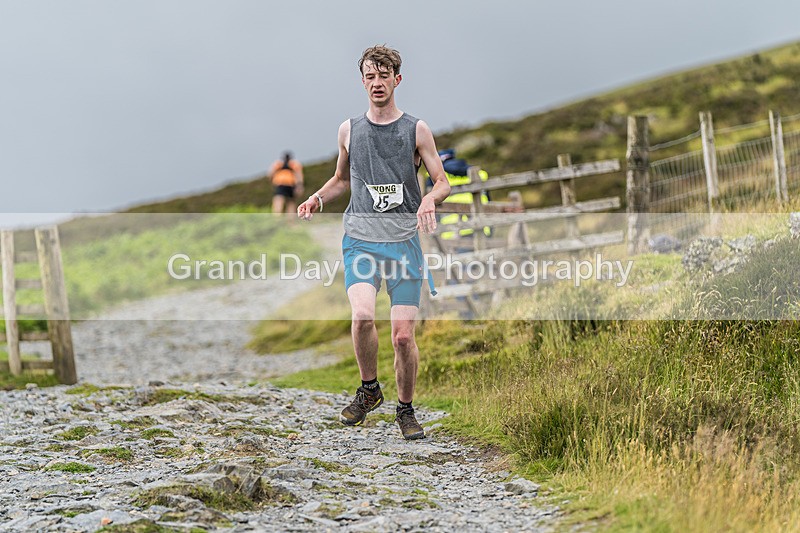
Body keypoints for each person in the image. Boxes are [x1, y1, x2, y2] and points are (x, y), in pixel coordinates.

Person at [297, 45, 450, 440]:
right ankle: (369, 390)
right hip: (361, 242)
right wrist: (316, 198)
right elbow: (342, 180)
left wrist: (430, 199)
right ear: (362, 80)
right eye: (370, 76)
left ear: (397, 79)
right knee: (362, 316)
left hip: (403, 245)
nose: (377, 83)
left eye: (384, 75)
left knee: (402, 336)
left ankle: (405, 409)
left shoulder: (417, 129)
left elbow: (442, 180)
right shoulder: (349, 129)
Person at [269, 151, 304, 216]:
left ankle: (277, 217)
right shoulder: (295, 164)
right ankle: (290, 220)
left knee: (279, 201)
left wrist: (272, 182)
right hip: (290, 185)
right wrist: (299, 186)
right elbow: (299, 176)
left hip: (280, 184)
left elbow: (270, 174)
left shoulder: (278, 164)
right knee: (290, 202)